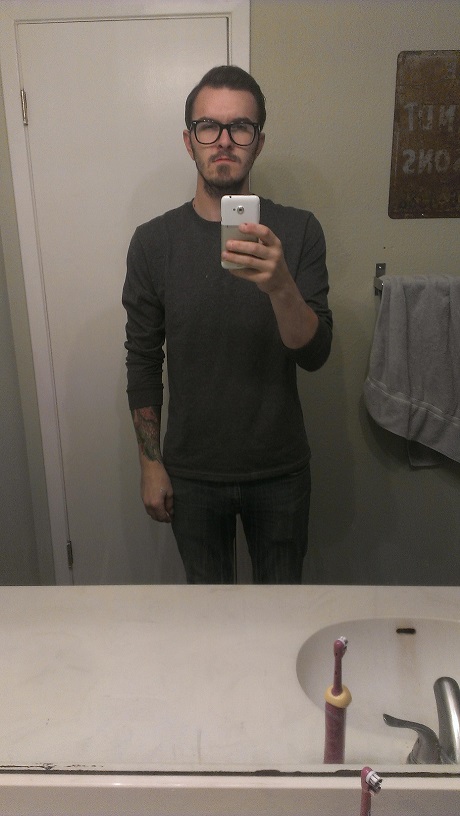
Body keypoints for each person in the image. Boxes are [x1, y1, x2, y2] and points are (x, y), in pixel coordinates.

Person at [122, 65, 332, 584]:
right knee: (208, 617)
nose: (223, 140)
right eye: (208, 126)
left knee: (280, 612)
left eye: (240, 127)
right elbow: (143, 358)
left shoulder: (299, 230)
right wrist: (150, 463)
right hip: (192, 473)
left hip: (279, 470)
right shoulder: (153, 242)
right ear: (188, 141)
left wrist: (281, 285)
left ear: (258, 142)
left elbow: (315, 355)